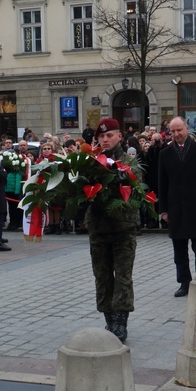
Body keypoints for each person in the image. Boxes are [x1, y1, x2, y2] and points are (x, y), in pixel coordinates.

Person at [86, 118, 138, 342]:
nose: (105, 140)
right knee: (102, 275)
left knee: (123, 276)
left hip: (123, 227)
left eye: (110, 135)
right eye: (102, 136)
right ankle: (109, 319)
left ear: (119, 136)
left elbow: (135, 188)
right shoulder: (89, 162)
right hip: (98, 227)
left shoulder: (129, 161)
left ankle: (121, 320)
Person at [159, 116, 196, 297]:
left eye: (179, 130)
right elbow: (162, 183)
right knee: (179, 249)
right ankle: (184, 282)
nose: (176, 134)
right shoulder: (165, 153)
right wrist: (164, 209)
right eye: (172, 131)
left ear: (187, 129)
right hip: (176, 207)